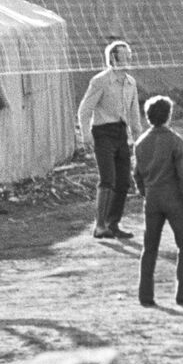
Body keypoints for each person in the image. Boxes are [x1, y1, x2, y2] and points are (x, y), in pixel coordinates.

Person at [133, 96, 183, 308]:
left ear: (148, 117)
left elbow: (136, 174)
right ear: (169, 116)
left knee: (149, 247)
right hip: (173, 198)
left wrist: (145, 192)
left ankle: (145, 295)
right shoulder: (175, 141)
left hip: (152, 199)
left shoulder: (140, 142)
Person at [77, 40, 142, 240]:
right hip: (103, 132)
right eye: (125, 54)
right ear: (113, 57)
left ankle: (113, 224)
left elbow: (134, 114)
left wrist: (138, 138)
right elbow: (85, 109)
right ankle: (100, 226)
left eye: (129, 53)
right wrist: (86, 134)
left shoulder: (130, 82)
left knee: (123, 181)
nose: (129, 57)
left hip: (121, 133)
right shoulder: (101, 81)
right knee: (108, 179)